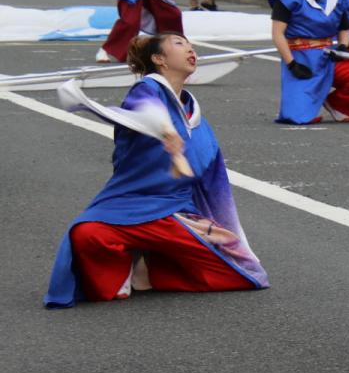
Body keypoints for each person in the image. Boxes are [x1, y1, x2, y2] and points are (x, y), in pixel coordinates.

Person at [44, 33, 269, 308]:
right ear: (159, 59)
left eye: (191, 45)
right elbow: (144, 110)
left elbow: (209, 177)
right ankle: (126, 265)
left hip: (172, 211)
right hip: (127, 204)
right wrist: (162, 128)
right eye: (179, 44)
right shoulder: (146, 90)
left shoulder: (193, 114)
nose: (190, 49)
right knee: (87, 235)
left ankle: (151, 263)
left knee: (241, 273)